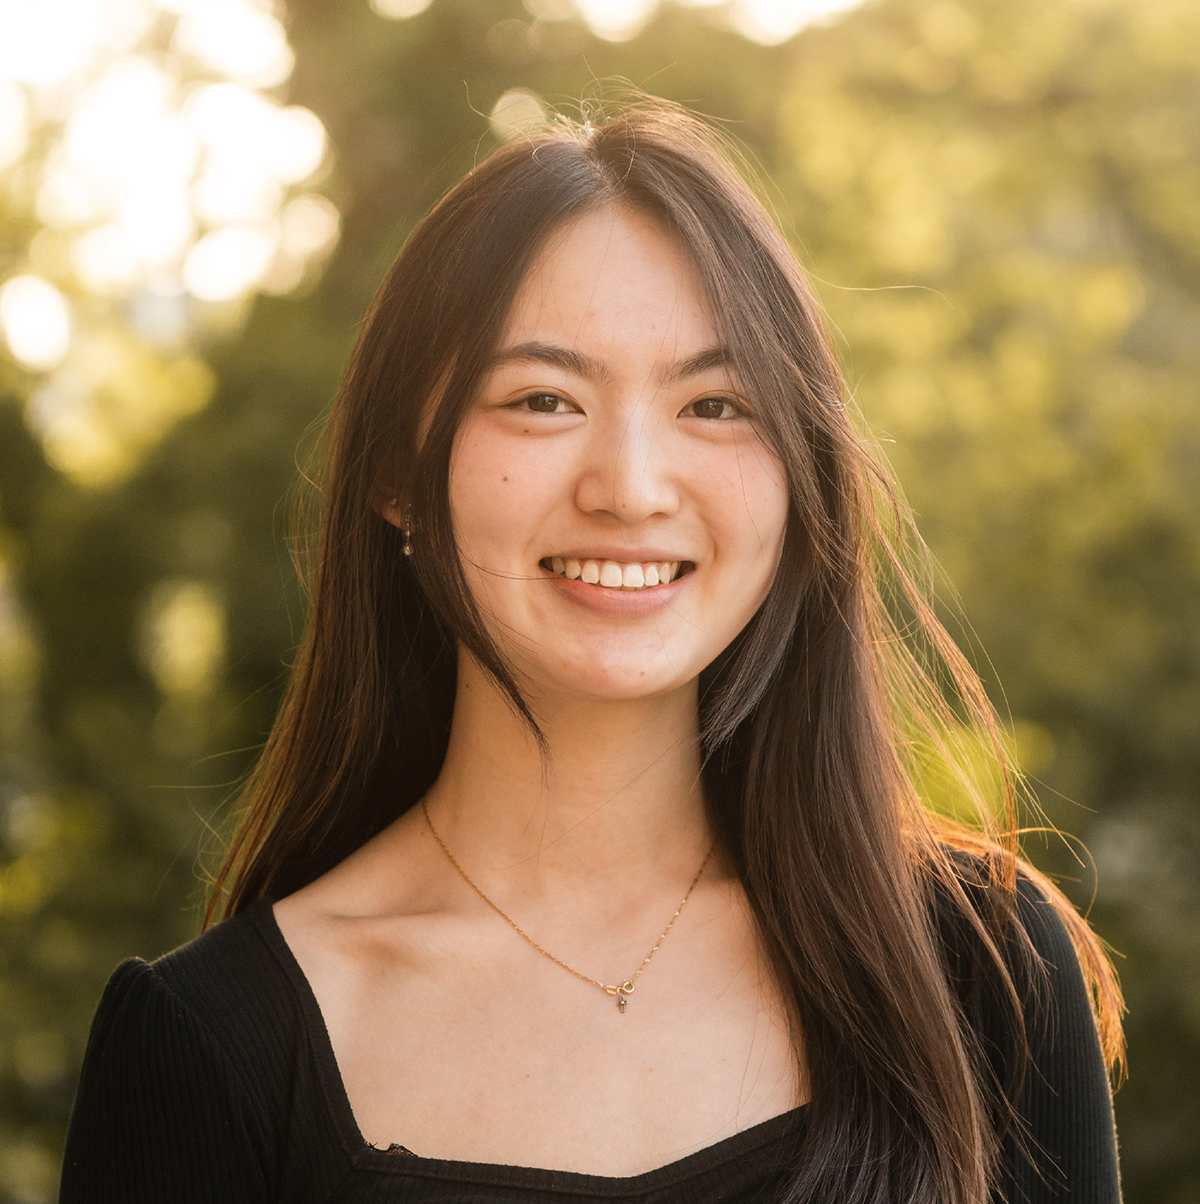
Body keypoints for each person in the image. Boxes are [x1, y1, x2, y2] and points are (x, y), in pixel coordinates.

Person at [60, 101, 1123, 1204]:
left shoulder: (981, 966)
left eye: (714, 404)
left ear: (799, 479)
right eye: (542, 398)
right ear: (391, 475)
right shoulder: (213, 1046)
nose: (630, 485)